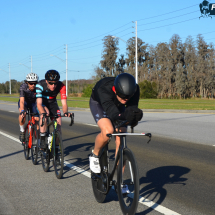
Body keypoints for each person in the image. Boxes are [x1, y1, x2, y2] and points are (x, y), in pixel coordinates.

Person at [89, 73, 143, 193]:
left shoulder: (134, 90)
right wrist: (124, 115)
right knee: (108, 130)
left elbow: (131, 109)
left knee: (121, 138)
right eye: (123, 96)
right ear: (115, 89)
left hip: (117, 107)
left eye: (128, 97)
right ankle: (95, 154)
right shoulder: (104, 90)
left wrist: (134, 116)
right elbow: (113, 114)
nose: (126, 99)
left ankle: (120, 180)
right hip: (100, 104)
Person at [36, 69, 71, 149]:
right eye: (51, 83)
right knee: (45, 115)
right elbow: (38, 104)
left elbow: (64, 103)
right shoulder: (40, 85)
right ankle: (42, 138)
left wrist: (65, 112)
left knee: (58, 125)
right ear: (46, 81)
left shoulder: (61, 86)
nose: (53, 86)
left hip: (52, 103)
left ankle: (56, 149)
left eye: (55, 83)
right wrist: (43, 113)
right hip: (42, 103)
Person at [18, 73, 39, 142]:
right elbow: (21, 101)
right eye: (31, 83)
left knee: (36, 119)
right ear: (27, 82)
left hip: (34, 103)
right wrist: (22, 111)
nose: (33, 85)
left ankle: (37, 141)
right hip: (25, 102)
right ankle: (22, 130)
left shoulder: (38, 87)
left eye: (35, 83)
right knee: (23, 114)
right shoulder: (23, 87)